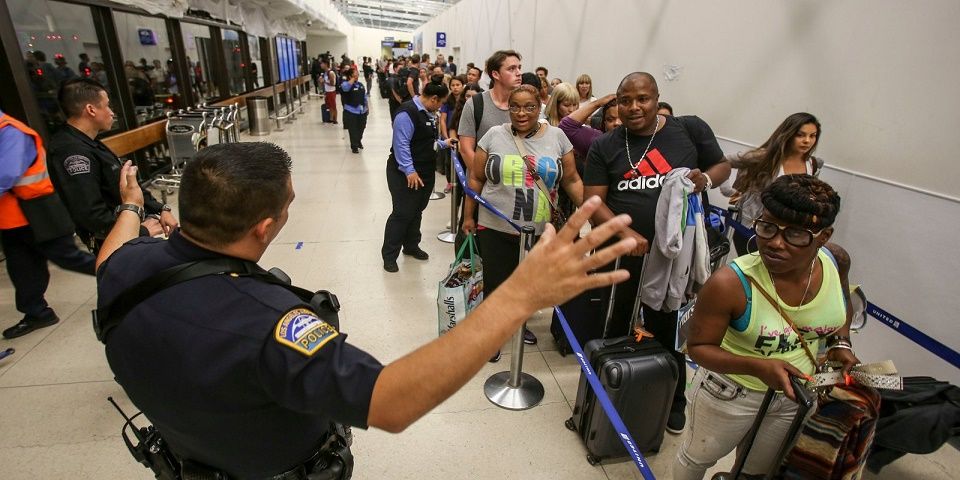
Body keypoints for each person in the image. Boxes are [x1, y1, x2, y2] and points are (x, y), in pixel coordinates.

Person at [96, 139, 636, 479]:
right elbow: (391, 403)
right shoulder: (270, 328)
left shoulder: (129, 266)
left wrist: (128, 206)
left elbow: (110, 255)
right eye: (287, 206)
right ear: (266, 227)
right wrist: (521, 295)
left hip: (188, 451)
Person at [675, 174, 857, 479]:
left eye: (795, 234)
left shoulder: (835, 261)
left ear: (824, 237)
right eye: (767, 226)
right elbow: (699, 348)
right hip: (729, 392)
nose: (775, 242)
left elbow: (842, 304)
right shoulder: (729, 283)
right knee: (697, 458)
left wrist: (841, 343)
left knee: (755, 470)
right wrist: (758, 366)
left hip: (794, 394)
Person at [582, 72, 731, 433]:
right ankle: (603, 396)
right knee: (615, 324)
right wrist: (626, 231)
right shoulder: (607, 145)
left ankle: (672, 401)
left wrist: (706, 181)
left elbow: (721, 167)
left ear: (657, 97)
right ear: (616, 102)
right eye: (625, 100)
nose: (634, 107)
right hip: (623, 253)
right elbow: (593, 199)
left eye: (643, 99)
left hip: (673, 257)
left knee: (668, 328)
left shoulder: (689, 130)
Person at [461, 84, 584, 357]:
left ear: (540, 105)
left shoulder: (558, 137)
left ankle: (517, 326)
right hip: (494, 224)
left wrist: (590, 211)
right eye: (514, 106)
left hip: (537, 228)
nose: (521, 113)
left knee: (527, 286)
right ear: (508, 108)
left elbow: (572, 179)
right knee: (495, 282)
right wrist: (468, 216)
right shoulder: (494, 135)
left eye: (529, 106)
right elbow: (476, 178)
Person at [46, 79, 177, 253]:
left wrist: (161, 209)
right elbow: (91, 215)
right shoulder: (71, 151)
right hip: (115, 242)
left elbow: (126, 187)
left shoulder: (89, 142)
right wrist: (140, 231)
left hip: (129, 233)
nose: (112, 113)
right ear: (91, 110)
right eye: (107, 106)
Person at [0, 110, 96, 339]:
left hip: (39, 211)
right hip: (12, 219)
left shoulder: (12, 132)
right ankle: (37, 314)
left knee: (69, 258)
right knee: (22, 267)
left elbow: (6, 174)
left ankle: (130, 276)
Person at [382, 77, 456, 273]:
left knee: (416, 211)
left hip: (424, 170)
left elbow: (426, 141)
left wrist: (443, 143)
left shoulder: (428, 113)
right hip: (404, 172)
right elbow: (401, 145)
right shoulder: (406, 113)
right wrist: (409, 170)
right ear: (433, 99)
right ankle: (389, 256)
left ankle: (411, 246)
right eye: (440, 103)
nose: (440, 107)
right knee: (402, 213)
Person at [723, 113, 825, 255]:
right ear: (788, 134)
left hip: (786, 231)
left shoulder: (812, 164)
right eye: (800, 135)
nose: (807, 141)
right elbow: (724, 161)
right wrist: (728, 189)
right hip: (753, 227)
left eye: (812, 136)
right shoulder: (765, 157)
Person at [340, 68, 368, 154]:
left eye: (357, 74)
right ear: (350, 76)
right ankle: (354, 146)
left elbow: (364, 97)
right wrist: (352, 78)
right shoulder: (345, 84)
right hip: (351, 110)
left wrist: (367, 107)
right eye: (355, 74)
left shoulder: (360, 85)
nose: (357, 76)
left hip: (362, 111)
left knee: (361, 127)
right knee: (353, 129)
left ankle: (358, 140)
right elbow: (345, 88)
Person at [321, 60, 338, 124]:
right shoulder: (325, 73)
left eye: (322, 64)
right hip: (327, 91)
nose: (321, 65)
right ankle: (331, 118)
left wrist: (324, 81)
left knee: (333, 106)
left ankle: (335, 119)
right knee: (330, 106)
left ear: (326, 64)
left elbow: (333, 83)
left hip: (331, 91)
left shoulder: (330, 73)